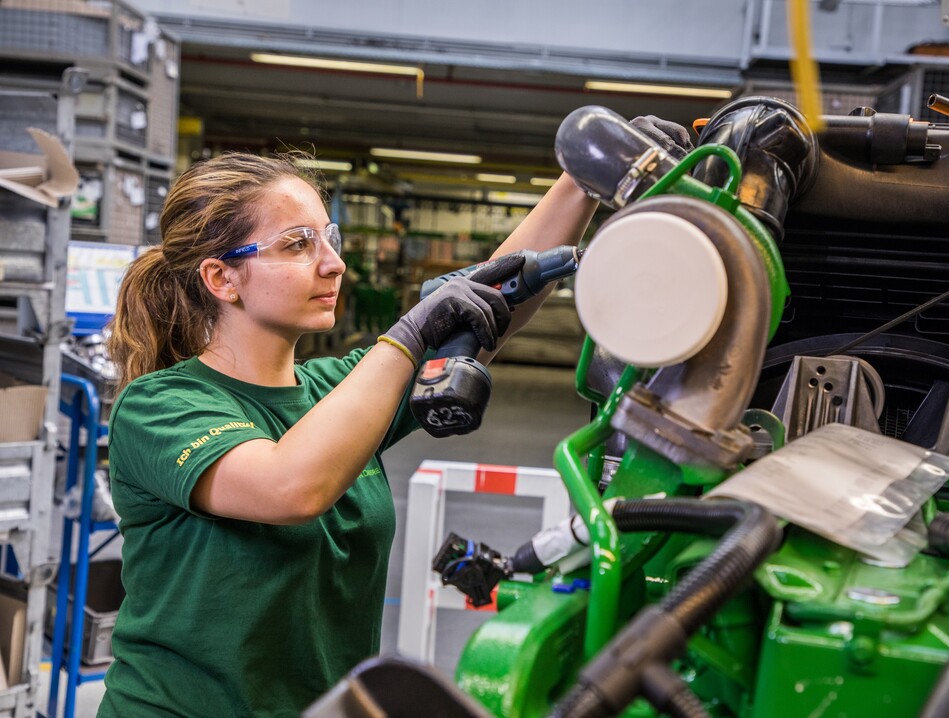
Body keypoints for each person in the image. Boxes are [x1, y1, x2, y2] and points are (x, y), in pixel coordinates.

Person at [97, 150, 599, 717]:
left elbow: (493, 301)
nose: (334, 264)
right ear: (222, 277)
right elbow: (290, 487)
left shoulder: (339, 389)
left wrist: (584, 180)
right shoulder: (159, 405)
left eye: (328, 238)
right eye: (297, 244)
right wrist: (409, 334)